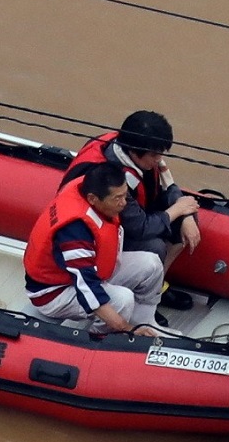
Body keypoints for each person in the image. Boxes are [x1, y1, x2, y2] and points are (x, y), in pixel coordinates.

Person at [62, 111, 201, 308]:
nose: (159, 159)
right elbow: (140, 228)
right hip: (102, 233)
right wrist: (178, 209)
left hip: (132, 215)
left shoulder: (137, 151)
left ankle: (156, 284)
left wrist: (184, 213)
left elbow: (167, 186)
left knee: (186, 216)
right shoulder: (114, 179)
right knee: (154, 246)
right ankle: (145, 300)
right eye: (154, 155)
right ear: (135, 152)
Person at [23, 162, 165, 335]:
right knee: (122, 300)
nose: (123, 204)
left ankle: (145, 323)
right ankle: (97, 340)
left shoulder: (92, 188)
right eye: (117, 199)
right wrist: (127, 328)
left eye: (124, 195)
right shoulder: (75, 230)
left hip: (93, 269)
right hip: (55, 291)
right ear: (92, 199)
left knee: (152, 264)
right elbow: (86, 286)